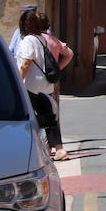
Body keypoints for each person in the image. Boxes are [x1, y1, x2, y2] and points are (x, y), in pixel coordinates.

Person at [14, 11, 64, 158]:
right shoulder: (41, 38)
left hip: (31, 86)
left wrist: (18, 81)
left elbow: (26, 63)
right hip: (45, 85)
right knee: (48, 116)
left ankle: (32, 148)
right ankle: (57, 148)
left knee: (27, 117)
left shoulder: (29, 40)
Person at [40, 20, 74, 160]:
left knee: (42, 114)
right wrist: (58, 68)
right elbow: (70, 53)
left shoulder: (36, 40)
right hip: (52, 80)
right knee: (52, 113)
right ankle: (51, 147)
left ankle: (48, 147)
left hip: (37, 82)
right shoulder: (53, 40)